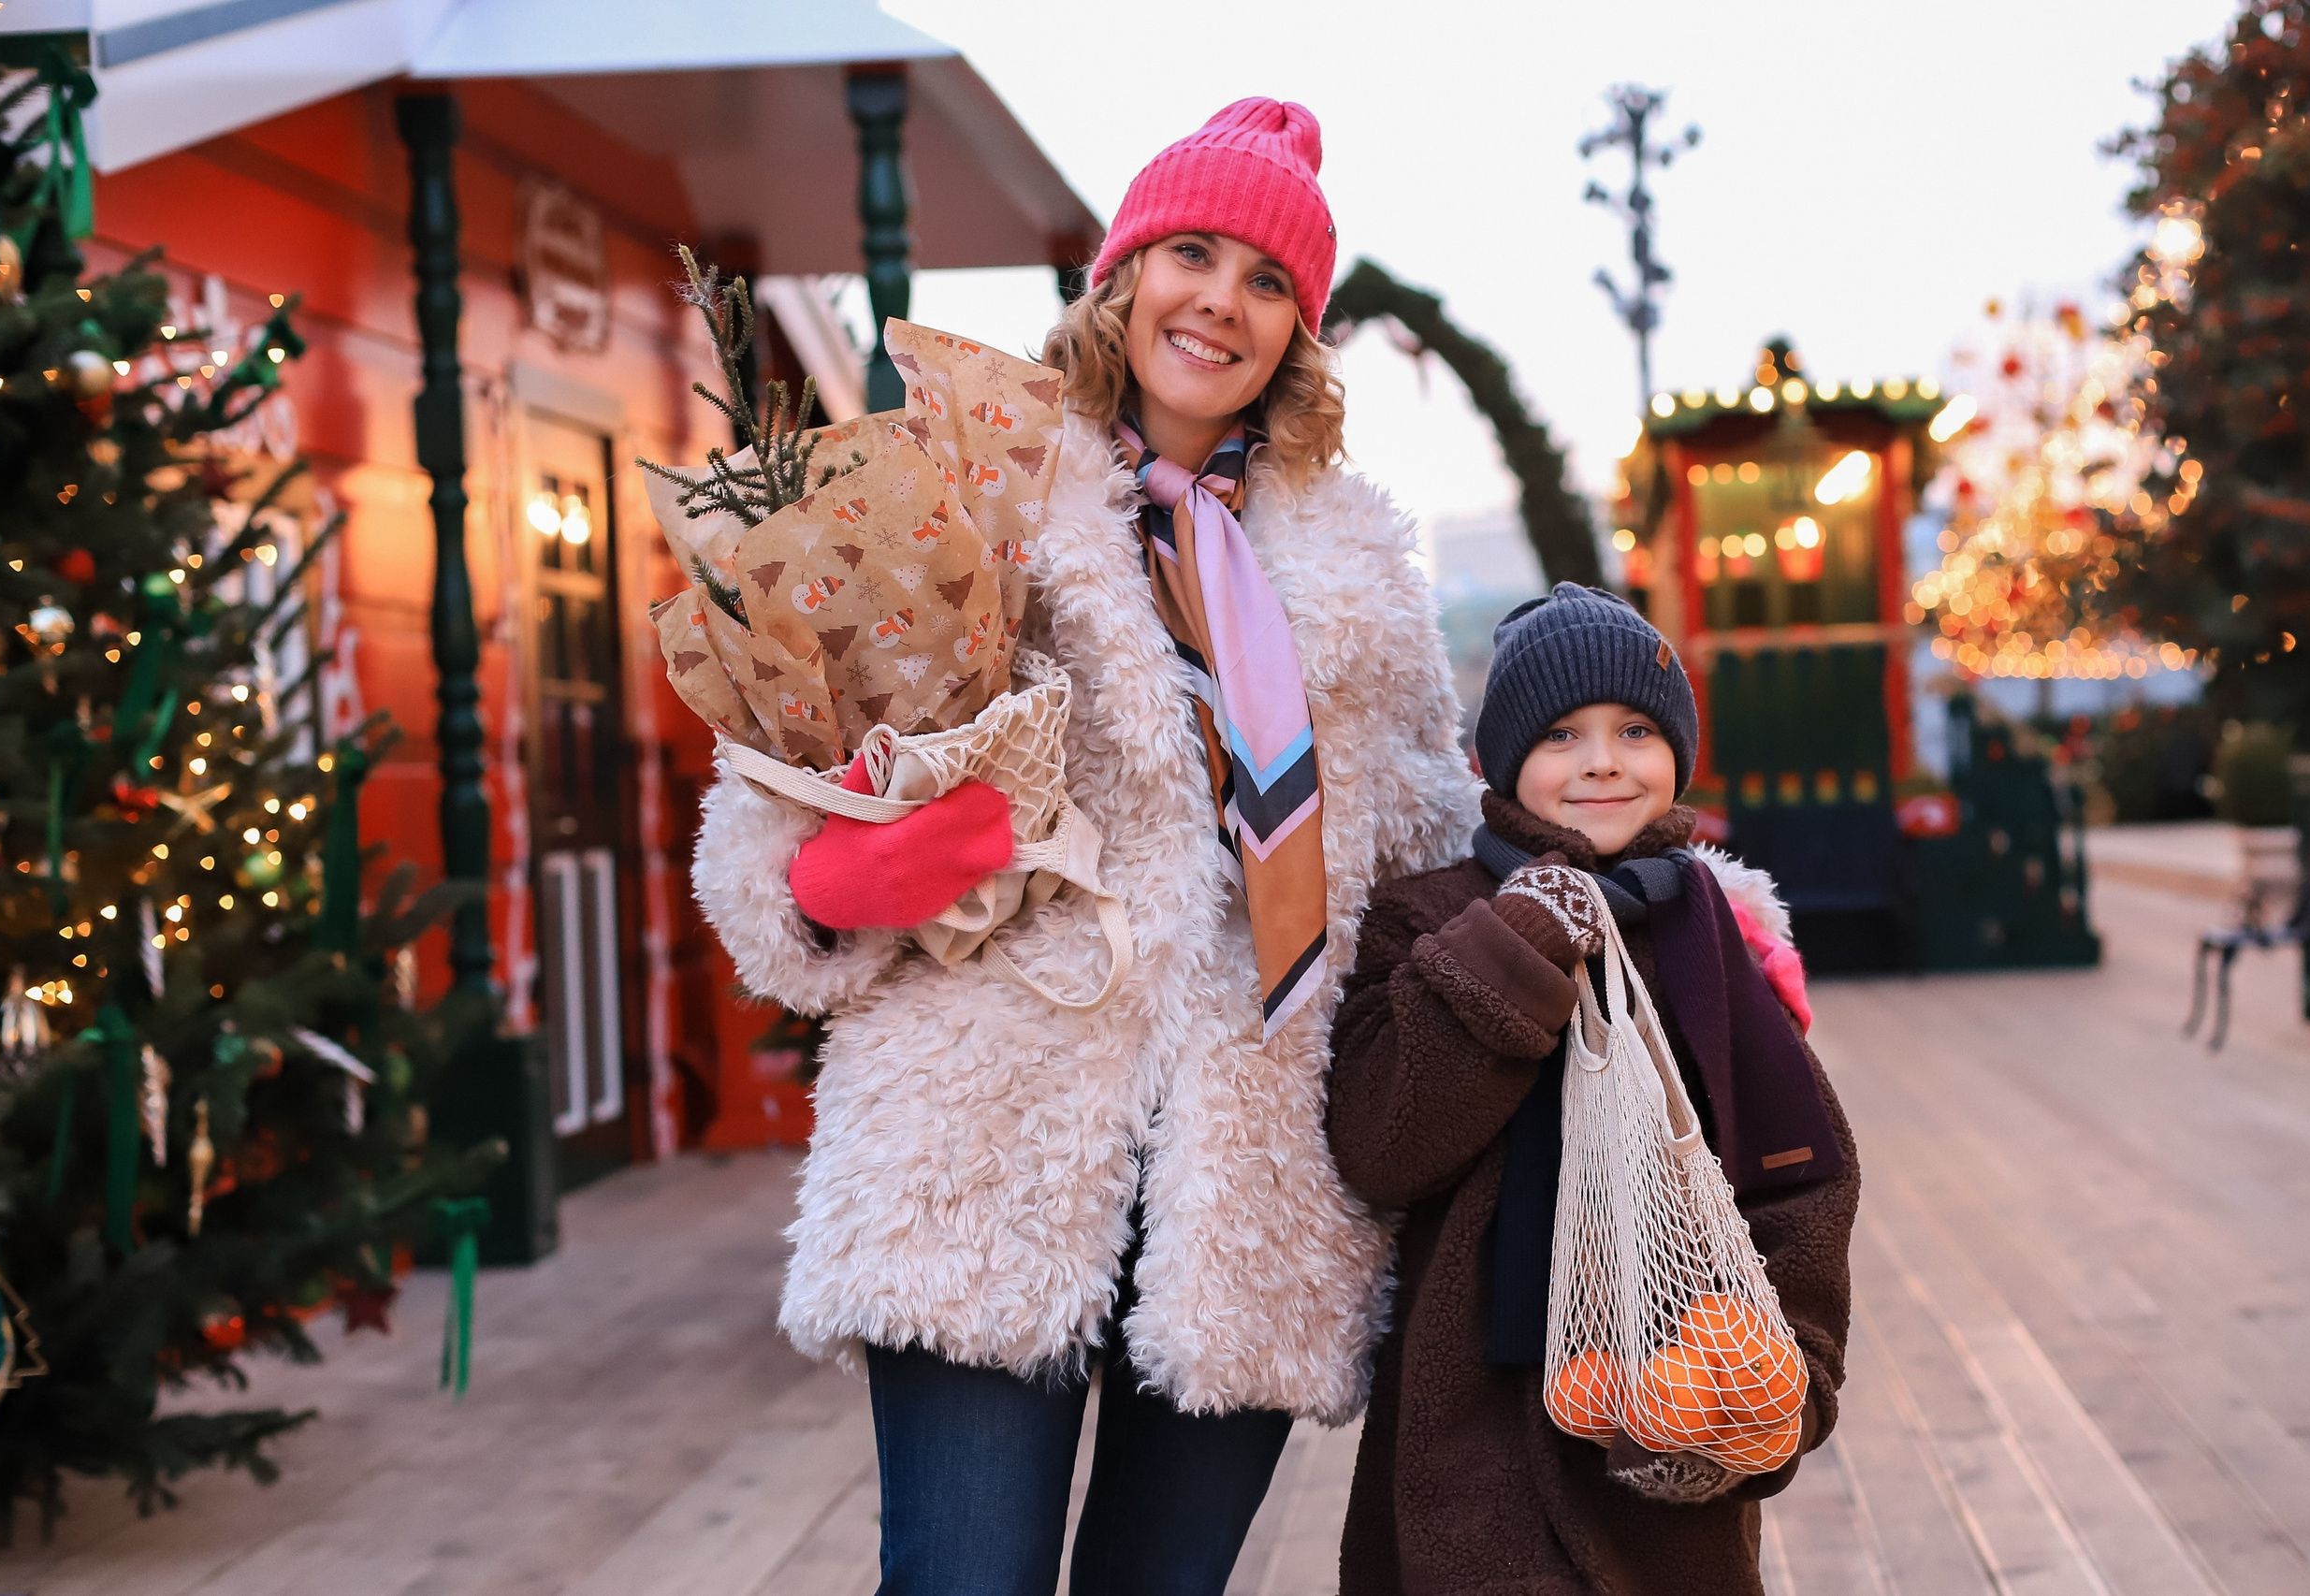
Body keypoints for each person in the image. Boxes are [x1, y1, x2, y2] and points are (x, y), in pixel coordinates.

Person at [691, 98, 1479, 1595]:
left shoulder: (1357, 564)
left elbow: (1429, 848)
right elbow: (775, 783)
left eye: (1267, 280)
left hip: (1252, 1165)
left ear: (1298, 329)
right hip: (986, 1142)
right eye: (1193, 252)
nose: (1222, 302)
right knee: (962, 1580)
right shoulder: (971, 487)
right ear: (1125, 275)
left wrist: (1651, 907)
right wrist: (826, 882)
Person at [1324, 583, 1861, 1593]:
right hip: (1468, 1425)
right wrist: (1520, 944)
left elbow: (1801, 1166)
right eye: (1562, 733)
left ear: (1677, 754)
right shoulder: (1425, 918)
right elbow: (1380, 1140)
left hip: (1667, 1423)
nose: (1602, 759)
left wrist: (1795, 1367)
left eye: (1636, 729)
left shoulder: (1713, 928)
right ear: (1496, 759)